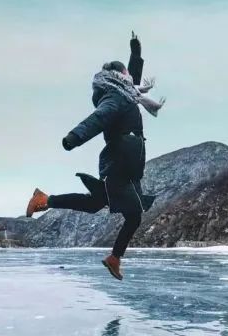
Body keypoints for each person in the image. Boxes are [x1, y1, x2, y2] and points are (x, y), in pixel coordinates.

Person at [25, 33, 165, 281]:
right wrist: (74, 137)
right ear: (119, 76)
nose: (132, 79)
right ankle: (114, 257)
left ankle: (45, 199)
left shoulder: (125, 92)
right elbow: (98, 119)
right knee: (133, 215)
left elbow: (131, 76)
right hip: (120, 162)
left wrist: (135, 53)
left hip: (127, 165)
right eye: (128, 75)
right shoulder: (115, 96)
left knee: (95, 204)